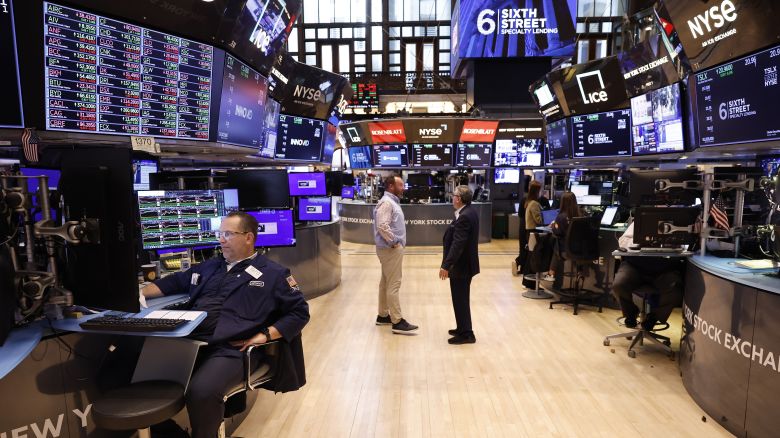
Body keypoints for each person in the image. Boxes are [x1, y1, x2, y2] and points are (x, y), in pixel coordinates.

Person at [142, 211, 310, 438]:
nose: (221, 239)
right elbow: (173, 282)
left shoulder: (274, 274)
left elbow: (299, 313)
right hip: (188, 340)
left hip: (232, 348)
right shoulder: (210, 266)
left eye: (228, 234)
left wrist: (265, 336)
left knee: (202, 391)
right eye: (220, 233)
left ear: (249, 238)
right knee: (138, 373)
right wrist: (140, 294)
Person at [612, 221, 685, 330]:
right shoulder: (642, 219)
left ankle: (654, 316)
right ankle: (631, 313)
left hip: (663, 270)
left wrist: (675, 244)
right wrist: (640, 242)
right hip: (635, 267)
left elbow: (685, 245)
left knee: (676, 289)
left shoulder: (677, 223)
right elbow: (623, 241)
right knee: (619, 284)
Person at [373, 174, 418, 334]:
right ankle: (397, 321)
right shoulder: (387, 203)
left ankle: (383, 315)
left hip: (387, 249)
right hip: (390, 249)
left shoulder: (391, 202)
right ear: (391, 186)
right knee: (394, 284)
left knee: (385, 283)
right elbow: (382, 226)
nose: (403, 187)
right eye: (400, 185)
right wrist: (394, 242)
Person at [439, 185, 480, 345]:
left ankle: (467, 334)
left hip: (461, 266)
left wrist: (446, 265)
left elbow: (458, 244)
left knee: (461, 299)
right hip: (463, 264)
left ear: (459, 199)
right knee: (459, 298)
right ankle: (462, 327)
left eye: (454, 195)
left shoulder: (464, 216)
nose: (452, 197)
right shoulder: (467, 212)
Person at [544, 192, 582, 289]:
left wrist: (553, 226)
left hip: (566, 251)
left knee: (555, 243)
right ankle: (580, 272)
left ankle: (551, 272)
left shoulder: (560, 217)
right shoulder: (580, 215)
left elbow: (557, 232)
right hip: (580, 250)